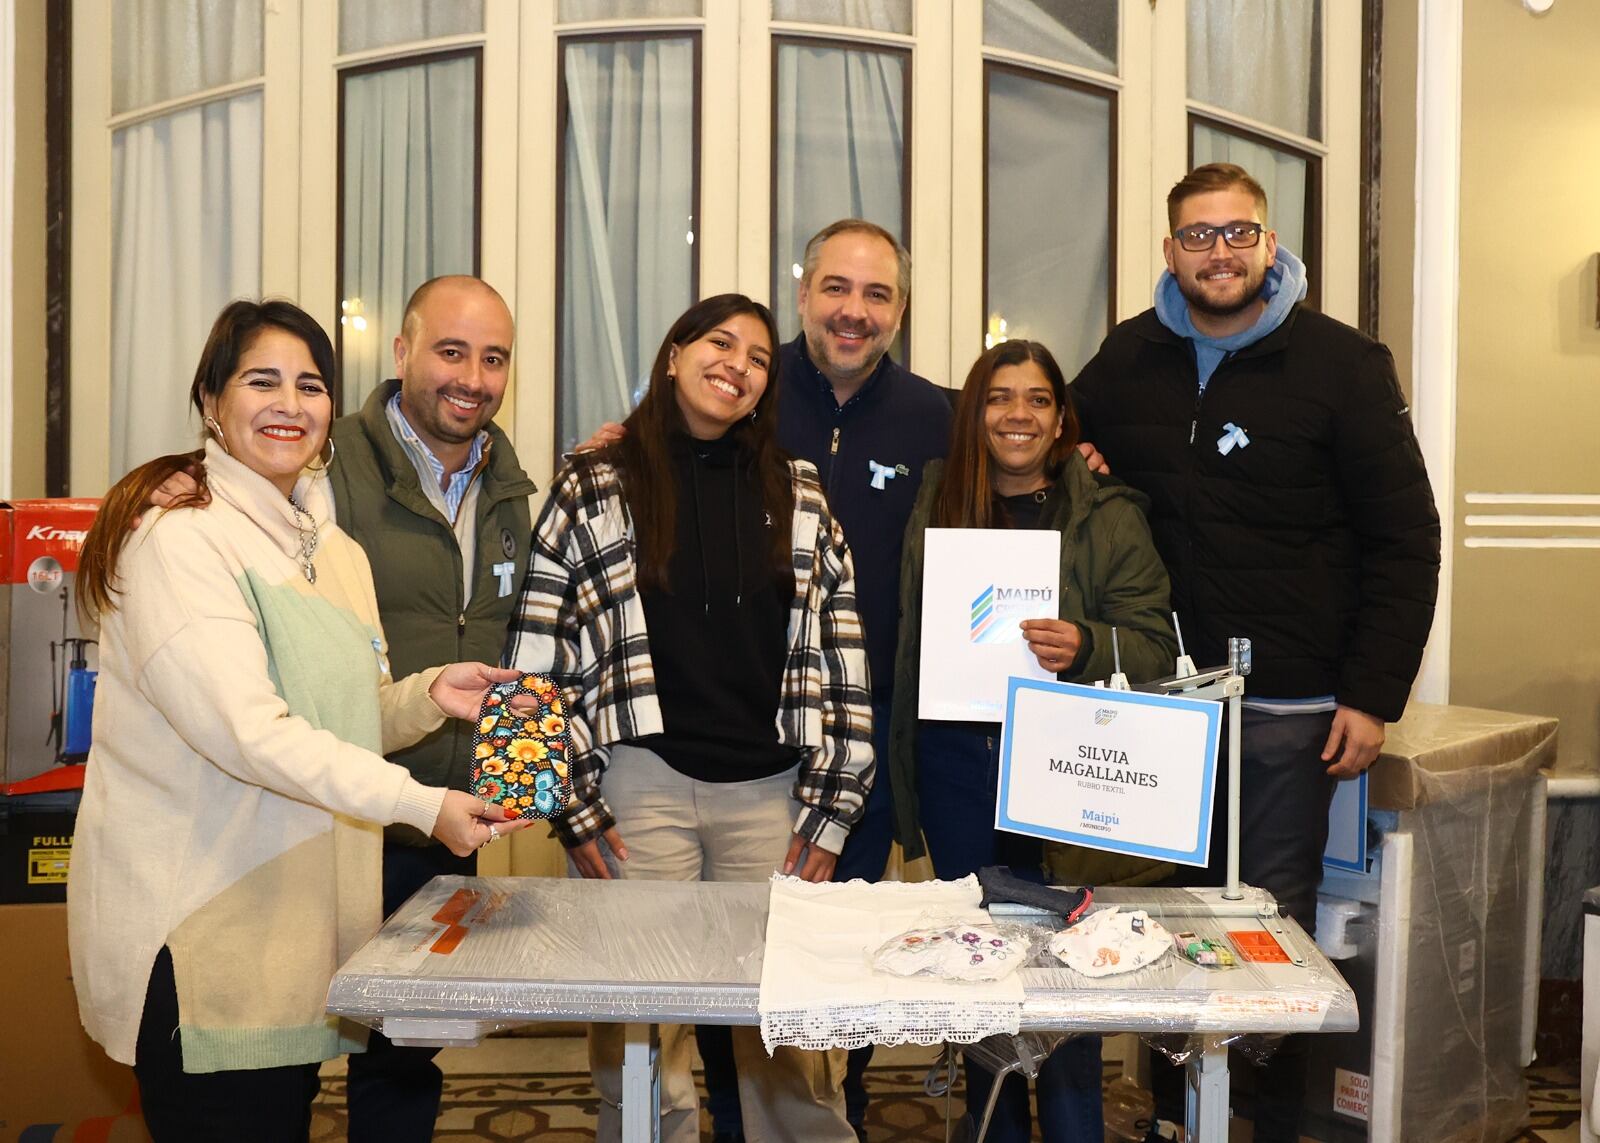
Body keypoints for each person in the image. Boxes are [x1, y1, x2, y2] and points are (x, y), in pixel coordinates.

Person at [68, 299, 531, 1142]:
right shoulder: (181, 541)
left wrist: (427, 695)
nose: (290, 402)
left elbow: (339, 716)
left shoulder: (329, 547)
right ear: (212, 401)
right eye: (262, 380)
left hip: (294, 932)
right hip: (205, 940)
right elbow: (254, 733)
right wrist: (425, 804)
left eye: (310, 385)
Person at [1069, 163, 1441, 1142]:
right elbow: (1040, 432)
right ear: (1169, 251)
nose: (1219, 252)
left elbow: (1406, 537)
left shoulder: (1343, 366)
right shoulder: (1127, 358)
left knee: (1264, 936)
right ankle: (1171, 1118)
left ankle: (1261, 1124)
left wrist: (1370, 693)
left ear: (1271, 246)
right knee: (1161, 925)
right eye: (1198, 235)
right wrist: (1080, 457)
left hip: (1289, 711)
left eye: (1239, 233)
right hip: (1159, 712)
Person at [505, 293, 872, 1143]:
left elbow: (845, 657)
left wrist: (834, 808)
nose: (736, 364)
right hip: (637, 793)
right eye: (718, 342)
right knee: (637, 1043)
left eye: (757, 358)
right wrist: (567, 806)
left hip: (773, 799)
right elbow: (533, 654)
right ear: (672, 355)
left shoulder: (805, 493)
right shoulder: (591, 483)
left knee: (792, 1047)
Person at [889, 339, 1178, 1142]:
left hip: (1063, 767)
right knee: (980, 977)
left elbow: (1154, 641)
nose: (1017, 414)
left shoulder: (1110, 513)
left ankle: (1077, 1129)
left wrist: (1086, 644)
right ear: (974, 413)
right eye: (998, 397)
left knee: (1068, 979)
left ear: (1061, 418)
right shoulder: (937, 499)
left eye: (1038, 399)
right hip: (955, 766)